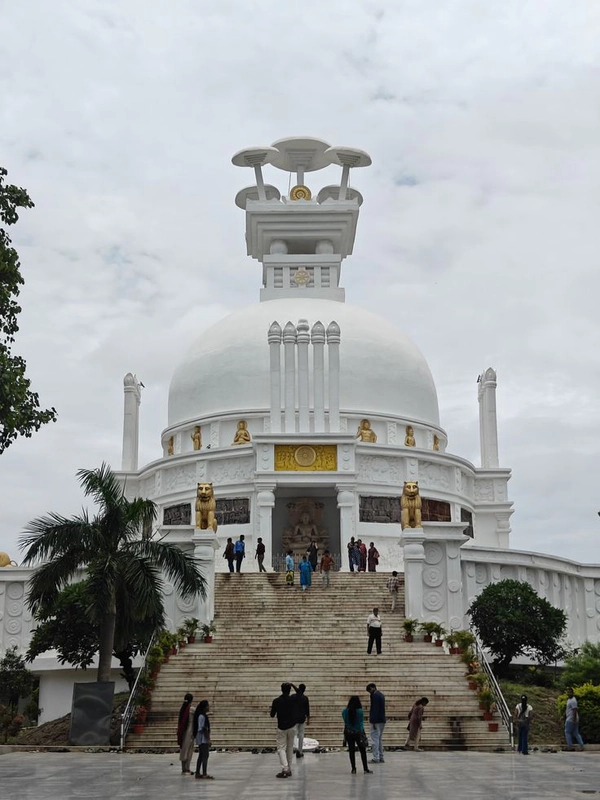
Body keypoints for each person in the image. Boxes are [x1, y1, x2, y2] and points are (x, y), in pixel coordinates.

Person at [270, 682, 297, 779]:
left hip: (282, 727)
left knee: (281, 748)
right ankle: (289, 767)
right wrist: (293, 685)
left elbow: (272, 715)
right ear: (290, 690)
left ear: (281, 690)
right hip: (292, 726)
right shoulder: (293, 700)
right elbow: (300, 694)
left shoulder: (276, 701)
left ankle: (285, 768)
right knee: (290, 748)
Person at [342, 695, 373, 774]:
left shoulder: (344, 711)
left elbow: (345, 722)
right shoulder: (360, 711)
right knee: (362, 751)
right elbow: (360, 723)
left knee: (351, 751)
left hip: (349, 733)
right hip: (358, 733)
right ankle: (365, 769)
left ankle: (353, 769)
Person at [193, 699, 214, 779]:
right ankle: (204, 773)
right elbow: (202, 728)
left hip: (201, 738)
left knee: (201, 756)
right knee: (205, 755)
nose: (208, 707)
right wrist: (208, 739)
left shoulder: (202, 715)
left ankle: (198, 773)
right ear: (204, 707)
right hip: (203, 739)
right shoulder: (202, 716)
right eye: (207, 706)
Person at [366, 683, 386, 763]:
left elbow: (375, 708)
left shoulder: (374, 695)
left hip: (376, 720)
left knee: (374, 739)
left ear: (372, 688)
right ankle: (381, 756)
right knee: (379, 739)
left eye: (369, 690)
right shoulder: (381, 694)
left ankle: (376, 757)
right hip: (382, 719)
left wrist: (373, 721)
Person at [177, 692, 194, 774]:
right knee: (188, 750)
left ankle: (183, 768)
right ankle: (187, 768)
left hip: (183, 732)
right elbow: (199, 713)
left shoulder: (182, 709)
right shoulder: (191, 709)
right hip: (189, 732)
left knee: (183, 750)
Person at [292, 683, 310, 758]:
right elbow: (307, 709)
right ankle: (300, 751)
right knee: (301, 734)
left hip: (294, 718)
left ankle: (295, 747)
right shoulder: (305, 698)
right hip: (302, 718)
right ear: (304, 690)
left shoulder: (293, 697)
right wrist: (308, 719)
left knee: (294, 734)